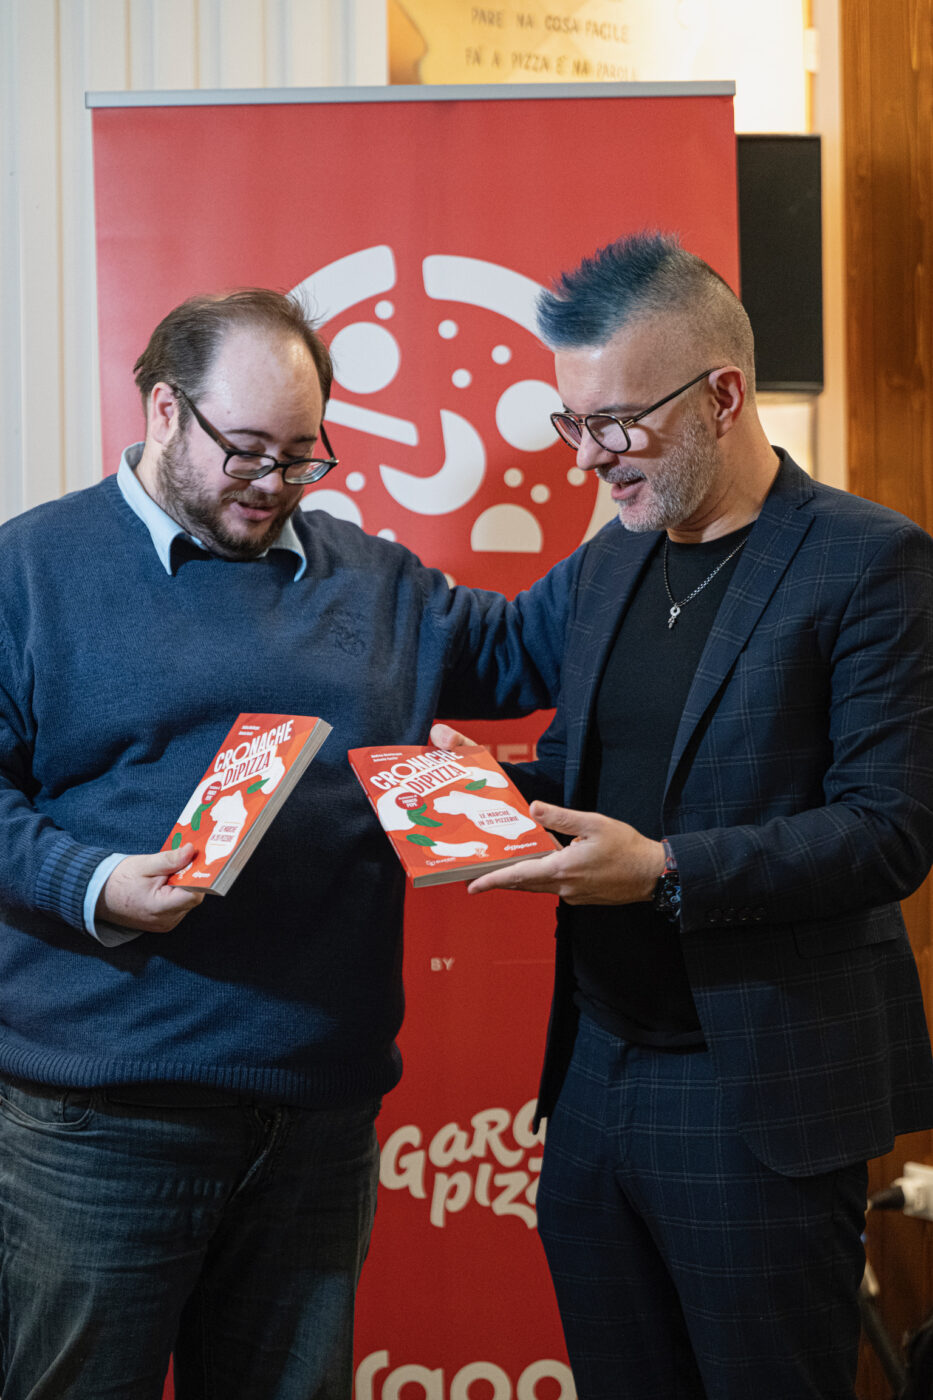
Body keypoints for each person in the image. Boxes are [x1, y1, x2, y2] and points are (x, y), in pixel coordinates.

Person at [0, 288, 577, 1400]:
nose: (273, 482)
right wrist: (93, 882)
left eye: (302, 455)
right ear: (163, 410)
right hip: (101, 1122)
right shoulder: (31, 571)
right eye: (247, 450)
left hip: (317, 1114)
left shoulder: (374, 580)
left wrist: (650, 497)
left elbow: (520, 653)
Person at [455, 231, 933, 1400]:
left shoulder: (871, 562)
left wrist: (665, 867)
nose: (588, 458)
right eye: (573, 423)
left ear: (723, 395)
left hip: (757, 1089)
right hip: (594, 1076)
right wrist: (480, 791)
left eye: (617, 423)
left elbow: (888, 830)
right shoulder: (609, 562)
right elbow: (585, 753)